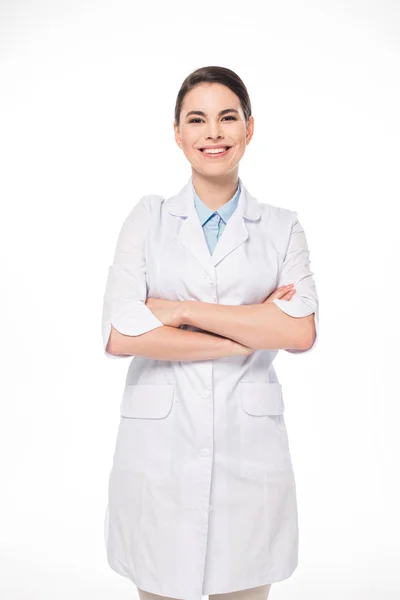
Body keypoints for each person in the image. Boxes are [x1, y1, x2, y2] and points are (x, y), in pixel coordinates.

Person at [102, 65, 319, 600]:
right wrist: (253, 329)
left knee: (243, 582)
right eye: (196, 120)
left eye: (227, 118)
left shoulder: (281, 226)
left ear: (249, 127)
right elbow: (120, 334)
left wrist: (176, 310)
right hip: (160, 452)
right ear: (177, 133)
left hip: (249, 456)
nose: (213, 133)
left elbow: (300, 331)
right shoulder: (148, 219)